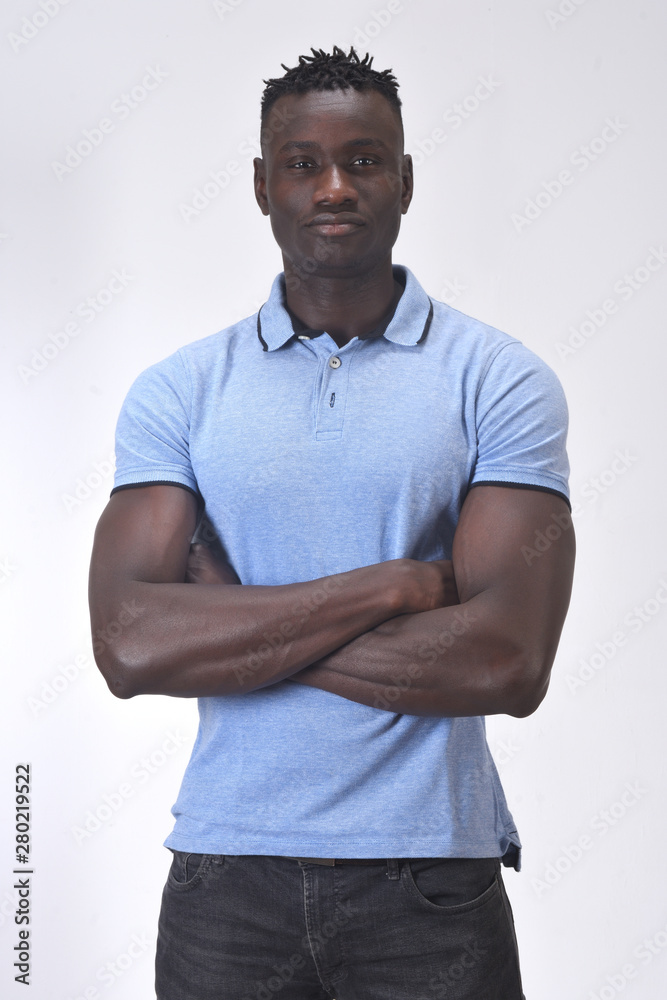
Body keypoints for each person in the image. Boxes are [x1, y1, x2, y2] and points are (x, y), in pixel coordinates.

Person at [89, 45, 575, 1000]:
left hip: (428, 877)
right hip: (226, 878)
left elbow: (507, 664)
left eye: (364, 159)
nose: (335, 186)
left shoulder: (498, 379)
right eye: (303, 164)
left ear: (405, 181)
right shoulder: (180, 391)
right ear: (263, 187)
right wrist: (391, 586)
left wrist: (240, 626)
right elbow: (129, 647)